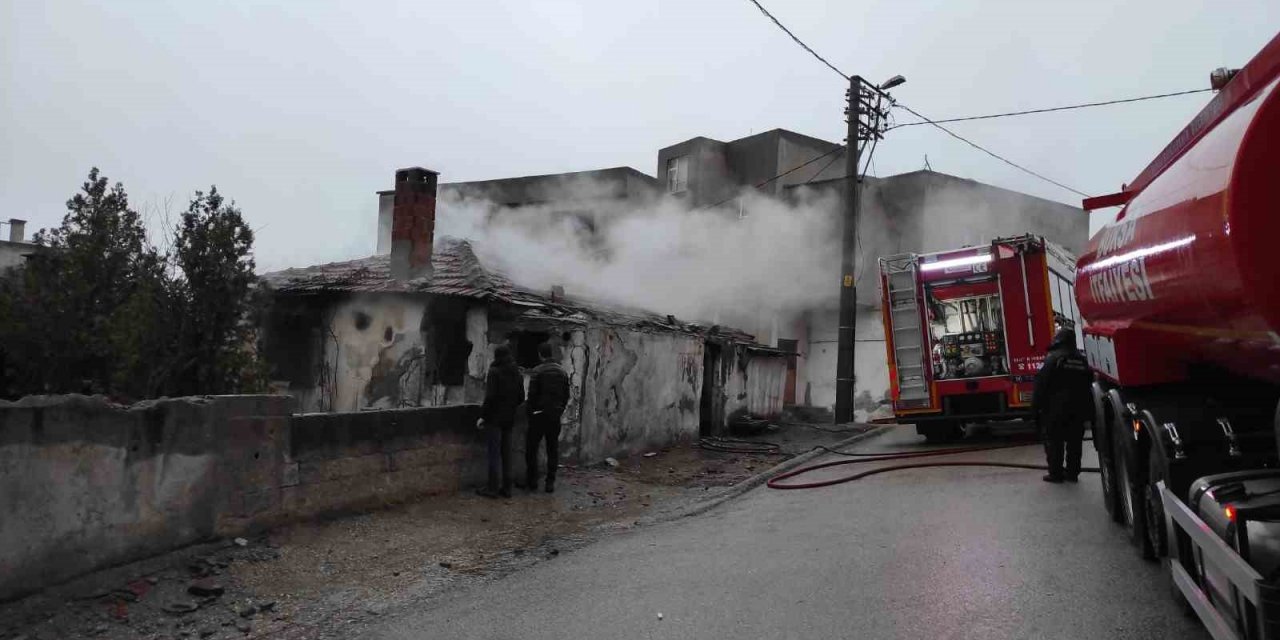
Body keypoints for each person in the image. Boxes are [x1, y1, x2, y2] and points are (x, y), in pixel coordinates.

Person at [1032, 328, 1094, 483]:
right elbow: (1090, 385)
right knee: (1075, 443)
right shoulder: (1082, 360)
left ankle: (1056, 473)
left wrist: (1034, 409)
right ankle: (1073, 474)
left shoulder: (1052, 359)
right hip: (1078, 409)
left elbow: (1040, 385)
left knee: (1054, 441)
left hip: (1055, 410)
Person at [519, 342, 571, 493]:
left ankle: (532, 481)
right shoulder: (562, 372)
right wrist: (560, 410)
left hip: (538, 416)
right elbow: (566, 395)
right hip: (554, 416)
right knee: (552, 449)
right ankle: (550, 482)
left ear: (540, 354)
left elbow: (532, 396)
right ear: (551, 353)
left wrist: (531, 412)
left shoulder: (537, 371)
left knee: (531, 449)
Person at [476, 345, 524, 499]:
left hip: (494, 419)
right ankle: (507, 488)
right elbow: (521, 397)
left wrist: (483, 416)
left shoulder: (494, 372)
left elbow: (490, 397)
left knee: (494, 454)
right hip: (509, 419)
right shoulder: (516, 372)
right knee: (506, 454)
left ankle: (492, 488)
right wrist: (509, 408)